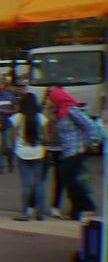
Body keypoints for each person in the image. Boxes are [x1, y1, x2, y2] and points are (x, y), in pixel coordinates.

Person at [49, 87, 100, 220]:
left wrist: (92, 142)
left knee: (67, 176)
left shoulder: (72, 110)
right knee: (69, 179)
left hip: (77, 149)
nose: (50, 102)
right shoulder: (60, 112)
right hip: (67, 151)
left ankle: (88, 206)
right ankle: (76, 211)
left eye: (52, 99)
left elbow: (89, 125)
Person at [9, 90, 48, 221]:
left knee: (26, 184)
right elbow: (46, 136)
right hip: (38, 152)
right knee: (39, 183)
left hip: (22, 152)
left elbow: (13, 137)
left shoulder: (18, 118)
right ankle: (40, 212)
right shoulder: (40, 117)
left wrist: (14, 148)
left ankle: (25, 212)